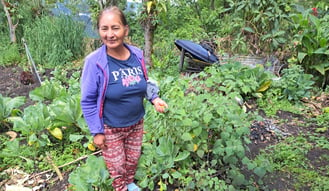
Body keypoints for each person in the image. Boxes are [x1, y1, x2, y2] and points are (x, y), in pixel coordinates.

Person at [80, 6, 168, 191]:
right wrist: (97, 131)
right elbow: (88, 101)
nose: (110, 34)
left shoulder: (137, 54)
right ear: (99, 31)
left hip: (136, 123)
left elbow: (144, 81)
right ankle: (121, 187)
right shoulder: (94, 62)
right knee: (116, 166)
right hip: (111, 127)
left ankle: (129, 183)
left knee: (132, 159)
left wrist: (154, 98)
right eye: (104, 28)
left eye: (115, 28)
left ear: (125, 30)